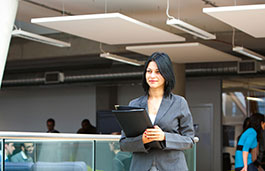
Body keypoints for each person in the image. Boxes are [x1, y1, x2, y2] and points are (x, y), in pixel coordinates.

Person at [119, 52, 195, 171]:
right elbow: (124, 144)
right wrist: (142, 140)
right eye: (149, 71)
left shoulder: (179, 103)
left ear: (166, 74)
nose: (152, 75)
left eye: (158, 72)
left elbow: (189, 140)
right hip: (141, 166)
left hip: (172, 167)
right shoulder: (134, 104)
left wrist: (164, 137)